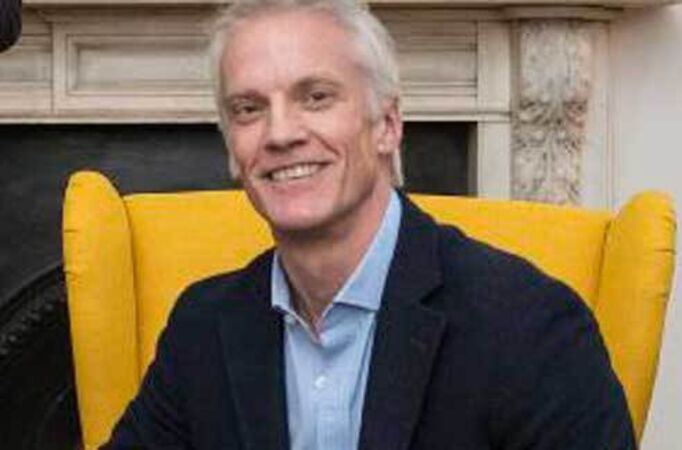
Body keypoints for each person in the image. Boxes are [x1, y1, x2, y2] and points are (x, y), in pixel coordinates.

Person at [104, 0, 636, 448]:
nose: (280, 133)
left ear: (387, 124)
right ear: (231, 149)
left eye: (316, 97)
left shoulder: (529, 325)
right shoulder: (202, 327)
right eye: (248, 109)